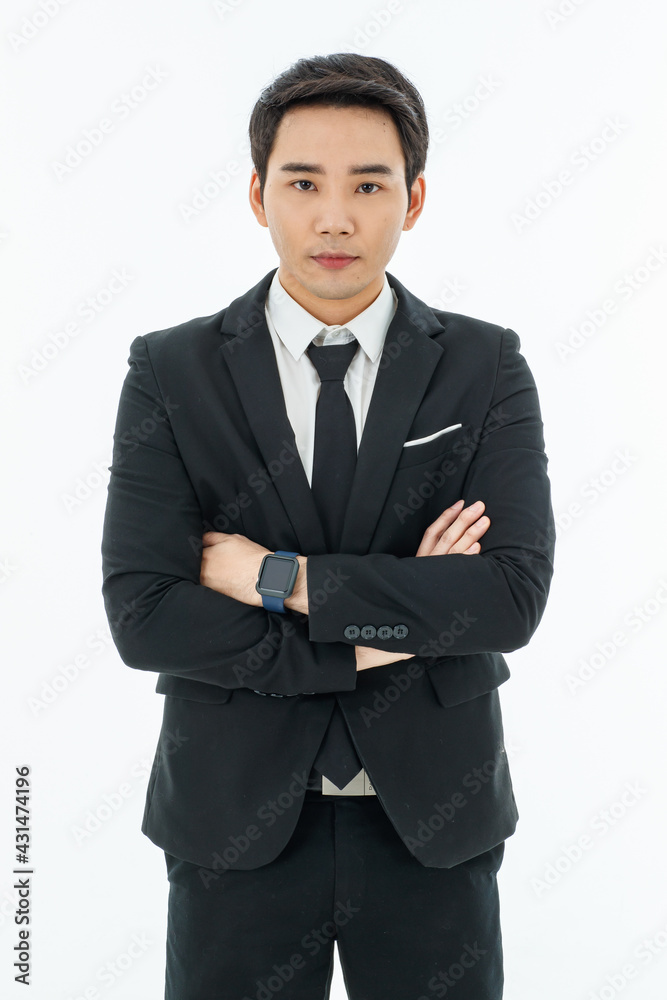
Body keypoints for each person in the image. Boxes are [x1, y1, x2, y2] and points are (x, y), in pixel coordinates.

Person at [101, 52, 555, 1000]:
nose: (335, 216)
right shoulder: (171, 371)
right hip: (234, 821)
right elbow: (146, 615)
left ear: (414, 199)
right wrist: (378, 640)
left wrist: (277, 580)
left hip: (434, 816)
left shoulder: (484, 366)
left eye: (368, 184)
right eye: (303, 183)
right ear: (259, 195)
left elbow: (507, 598)